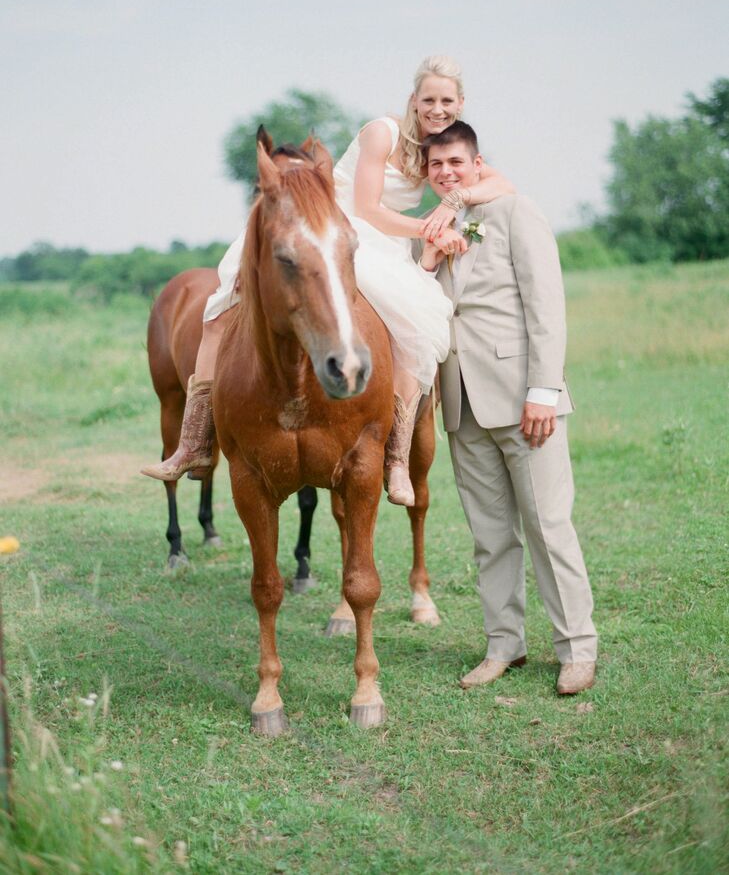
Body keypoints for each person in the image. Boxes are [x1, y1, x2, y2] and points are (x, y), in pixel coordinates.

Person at [142, 57, 512, 502]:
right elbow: (368, 209)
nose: (437, 108)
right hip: (328, 225)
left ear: (460, 103)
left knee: (416, 333)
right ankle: (193, 442)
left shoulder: (445, 147)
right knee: (221, 306)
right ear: (413, 100)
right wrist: (431, 228)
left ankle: (396, 459)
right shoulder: (384, 132)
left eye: (447, 100)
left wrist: (455, 199)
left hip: (382, 244)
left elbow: (500, 184)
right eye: (428, 98)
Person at [419, 120, 598, 696]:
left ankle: (576, 648)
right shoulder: (428, 233)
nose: (446, 172)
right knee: (490, 534)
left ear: (476, 164)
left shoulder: (517, 213)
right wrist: (425, 258)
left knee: (548, 527)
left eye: (456, 162)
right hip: (461, 403)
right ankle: (504, 646)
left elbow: (546, 303)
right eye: (435, 165)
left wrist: (544, 389)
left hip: (524, 398)